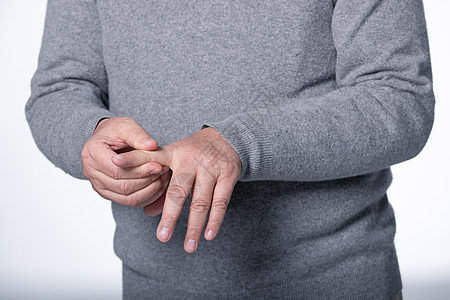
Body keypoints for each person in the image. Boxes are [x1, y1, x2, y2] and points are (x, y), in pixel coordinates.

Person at [25, 0, 434, 299]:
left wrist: (238, 144)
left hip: (335, 282)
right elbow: (61, 88)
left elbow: (399, 97)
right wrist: (91, 136)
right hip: (152, 284)